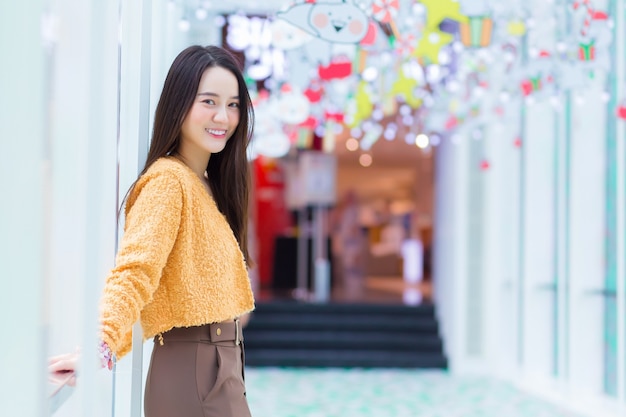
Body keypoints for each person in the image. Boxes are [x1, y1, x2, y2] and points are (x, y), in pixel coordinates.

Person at [48, 45, 256, 417]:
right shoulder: (167, 181)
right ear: (178, 104)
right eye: (208, 101)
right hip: (195, 369)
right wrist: (101, 342)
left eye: (233, 104)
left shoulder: (203, 185)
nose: (223, 116)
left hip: (216, 365)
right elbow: (135, 271)